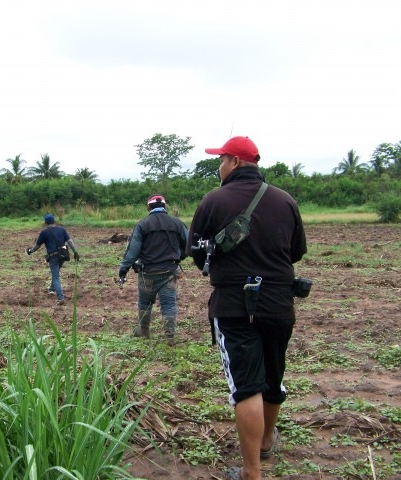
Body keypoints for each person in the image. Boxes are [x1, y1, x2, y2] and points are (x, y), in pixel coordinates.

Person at [186, 136, 307, 480]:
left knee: (246, 386)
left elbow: (196, 252)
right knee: (272, 377)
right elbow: (296, 252)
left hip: (233, 304)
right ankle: (267, 440)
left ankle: (251, 473)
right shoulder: (285, 200)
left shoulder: (213, 200)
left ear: (235, 162)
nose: (218, 166)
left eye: (221, 160)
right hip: (278, 303)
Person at [118, 194, 188, 346]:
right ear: (164, 206)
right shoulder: (177, 223)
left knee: (145, 303)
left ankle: (143, 331)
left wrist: (123, 269)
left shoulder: (142, 225)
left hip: (147, 273)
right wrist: (178, 257)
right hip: (170, 272)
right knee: (169, 304)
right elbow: (188, 245)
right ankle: (170, 337)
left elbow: (133, 251)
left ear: (148, 207)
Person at [26, 214, 80, 305]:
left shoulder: (44, 232)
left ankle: (60, 297)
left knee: (55, 276)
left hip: (53, 256)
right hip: (63, 255)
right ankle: (51, 289)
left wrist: (30, 251)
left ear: (45, 223)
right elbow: (70, 241)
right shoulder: (62, 230)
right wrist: (75, 252)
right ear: (54, 221)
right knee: (56, 273)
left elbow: (37, 246)